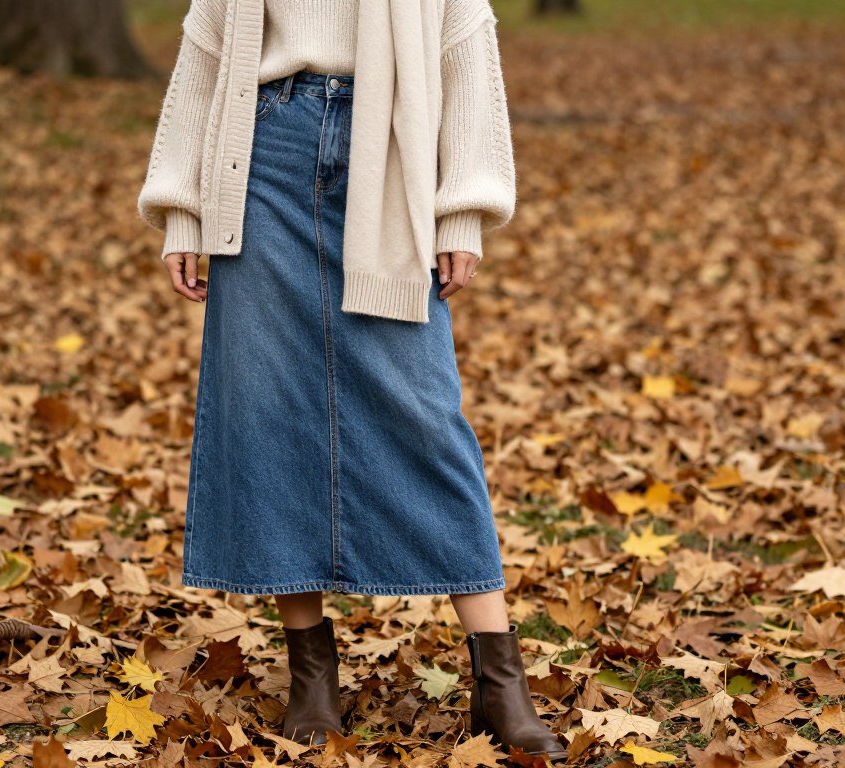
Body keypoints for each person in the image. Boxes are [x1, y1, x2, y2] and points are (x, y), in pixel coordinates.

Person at [136, 0, 566, 760]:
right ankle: (311, 672)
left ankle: (499, 678)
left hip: (389, 149)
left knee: (423, 413)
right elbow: (205, 56)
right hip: (262, 151)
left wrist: (462, 210)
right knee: (267, 407)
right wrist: (183, 208)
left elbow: (467, 55)